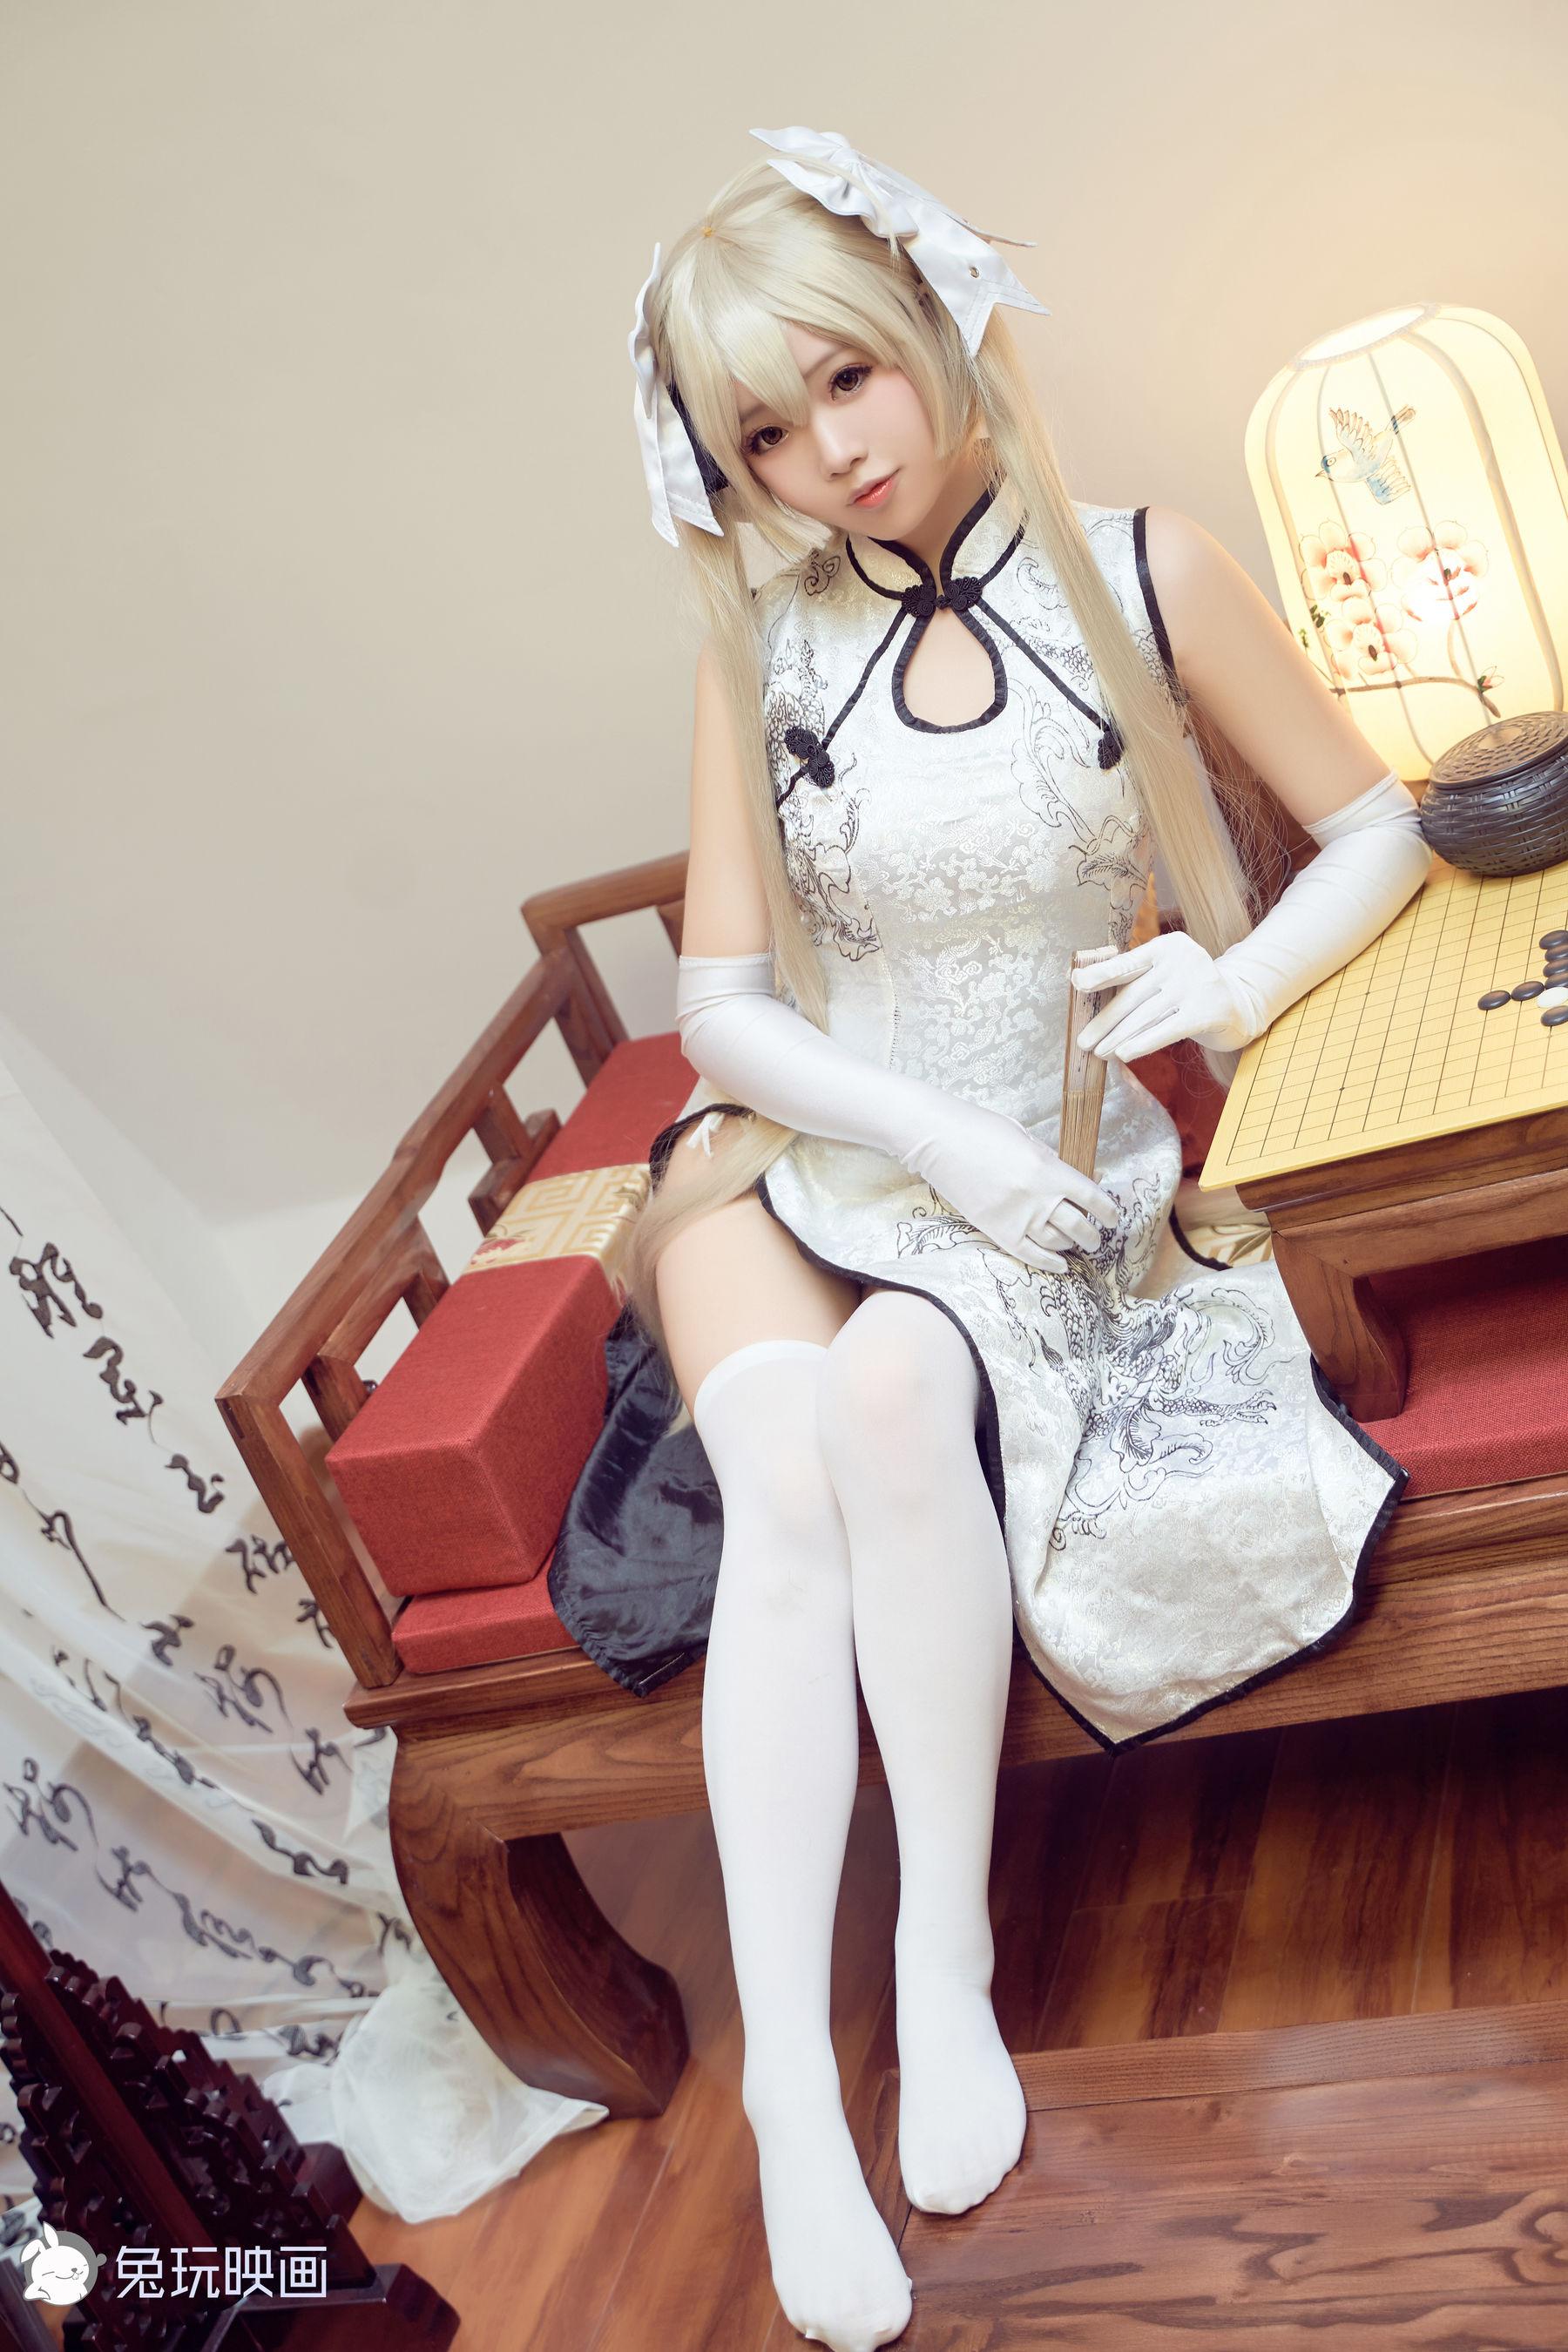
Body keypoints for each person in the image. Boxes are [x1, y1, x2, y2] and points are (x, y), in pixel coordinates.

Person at [612, 126, 1427, 2352]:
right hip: (792, 1158)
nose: (829, 454)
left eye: (845, 379)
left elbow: (1379, 825)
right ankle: (795, 2096)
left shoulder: (1144, 568)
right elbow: (722, 1015)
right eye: (763, 435)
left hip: (1044, 1177)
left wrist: (1230, 982)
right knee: (785, 1473)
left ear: (932, 324)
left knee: (891, 1400)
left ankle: (938, 1962)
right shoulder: (763, 649)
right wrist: (930, 1152)